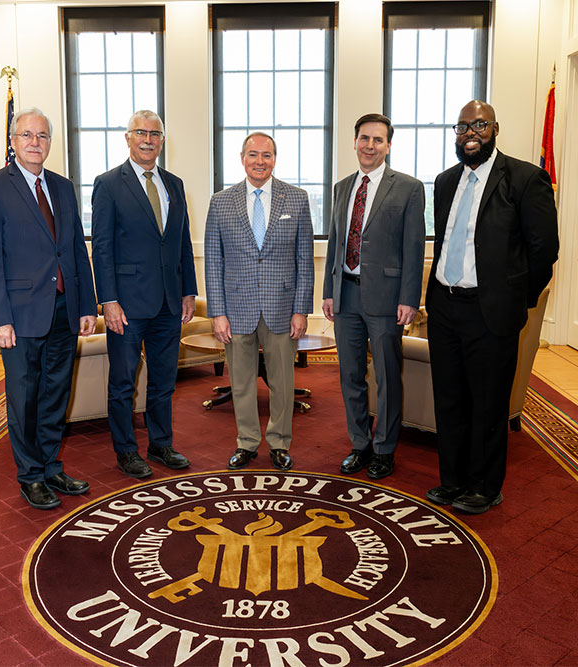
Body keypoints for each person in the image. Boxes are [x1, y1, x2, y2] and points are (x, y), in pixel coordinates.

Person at [425, 100, 559, 515]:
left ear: (495, 128)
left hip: (491, 311)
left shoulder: (525, 178)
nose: (470, 133)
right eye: (462, 126)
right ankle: (453, 480)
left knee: (487, 402)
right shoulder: (445, 181)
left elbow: (544, 251)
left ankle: (485, 486)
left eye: (479, 125)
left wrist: (515, 299)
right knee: (448, 399)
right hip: (444, 308)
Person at [0, 107, 97, 510]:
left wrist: (86, 305)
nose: (34, 143)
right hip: (21, 314)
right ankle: (29, 475)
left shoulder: (62, 187)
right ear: (13, 141)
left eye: (42, 136)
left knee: (55, 394)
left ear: (49, 142)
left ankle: (50, 466)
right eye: (26, 135)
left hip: (64, 309)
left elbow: (77, 249)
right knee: (24, 397)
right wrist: (0, 318)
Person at [91, 110, 197, 479]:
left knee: (164, 380)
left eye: (155, 133)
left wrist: (188, 292)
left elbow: (181, 241)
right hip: (127, 304)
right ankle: (126, 451)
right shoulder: (108, 184)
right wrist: (108, 300)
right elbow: (101, 248)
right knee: (123, 381)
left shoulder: (175, 184)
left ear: (162, 140)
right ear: (128, 138)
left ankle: (161, 443)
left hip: (169, 302)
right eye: (141, 132)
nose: (148, 139)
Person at [322, 113, 425, 480]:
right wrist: (328, 292)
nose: (370, 146)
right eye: (364, 138)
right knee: (350, 375)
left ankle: (384, 449)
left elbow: (413, 248)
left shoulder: (409, 188)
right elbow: (336, 243)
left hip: (386, 300)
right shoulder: (341, 187)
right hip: (345, 296)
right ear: (354, 141)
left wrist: (409, 298)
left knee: (386, 377)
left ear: (388, 145)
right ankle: (360, 444)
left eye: (378, 140)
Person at [204, 132, 314, 471]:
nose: (260, 161)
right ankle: (247, 442)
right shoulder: (221, 201)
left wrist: (300, 309)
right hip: (236, 309)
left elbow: (305, 258)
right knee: (241, 382)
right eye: (253, 154)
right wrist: (217, 312)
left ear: (275, 159)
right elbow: (213, 260)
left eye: (266, 155)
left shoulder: (296, 198)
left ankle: (279, 442)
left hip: (282, 307)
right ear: (242, 158)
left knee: (283, 382)